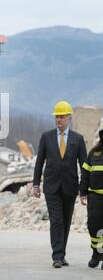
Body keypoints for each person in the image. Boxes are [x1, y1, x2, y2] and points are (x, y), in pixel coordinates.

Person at [33, 100, 87, 268]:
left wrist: (84, 190)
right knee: (56, 220)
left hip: (70, 187)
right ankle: (57, 256)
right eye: (57, 117)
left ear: (69, 118)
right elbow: (39, 161)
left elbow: (84, 165)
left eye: (62, 117)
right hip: (51, 187)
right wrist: (35, 184)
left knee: (66, 220)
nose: (58, 120)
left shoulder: (78, 139)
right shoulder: (46, 137)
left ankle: (61, 253)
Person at [80, 129, 103, 269]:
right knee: (94, 227)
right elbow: (85, 174)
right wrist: (82, 192)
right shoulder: (93, 153)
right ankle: (96, 253)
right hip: (94, 196)